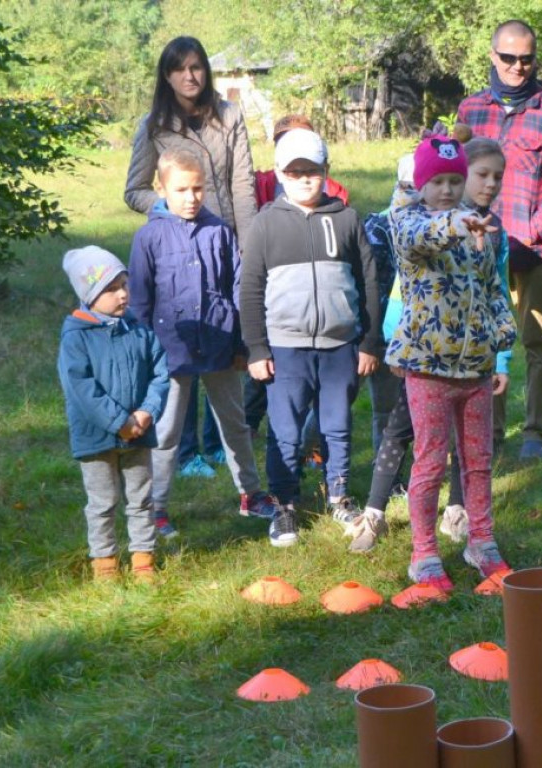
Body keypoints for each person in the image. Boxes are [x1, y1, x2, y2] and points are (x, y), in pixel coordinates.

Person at [348, 138, 513, 554]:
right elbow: (422, 238)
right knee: (429, 461)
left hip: (475, 364)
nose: (447, 189)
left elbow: (493, 287)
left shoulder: (484, 229)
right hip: (426, 366)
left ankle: (482, 542)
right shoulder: (405, 221)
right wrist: (459, 223)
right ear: (420, 184)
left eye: (455, 181)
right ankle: (423, 552)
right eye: (437, 181)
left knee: (478, 462)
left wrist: (502, 333)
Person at [240, 128, 382, 547]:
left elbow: (369, 282)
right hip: (285, 348)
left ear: (327, 171)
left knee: (337, 427)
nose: (305, 179)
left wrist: (369, 342)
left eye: (313, 171)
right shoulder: (265, 225)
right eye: (295, 172)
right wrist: (256, 348)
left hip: (341, 346)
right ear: (281, 175)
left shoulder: (347, 219)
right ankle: (284, 506)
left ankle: (338, 496)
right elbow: (249, 289)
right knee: (284, 430)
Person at [129, 149, 281, 541]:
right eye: (181, 190)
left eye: (198, 189)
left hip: (219, 346)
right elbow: (140, 301)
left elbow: (236, 290)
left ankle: (250, 493)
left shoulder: (219, 231)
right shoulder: (149, 236)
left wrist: (242, 346)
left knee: (235, 424)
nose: (191, 197)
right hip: (169, 352)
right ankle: (156, 507)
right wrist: (143, 357)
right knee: (165, 432)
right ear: (161, 188)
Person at [457, 18, 542, 461]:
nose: (517, 66)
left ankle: (537, 435)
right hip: (480, 247)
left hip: (534, 250)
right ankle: (487, 433)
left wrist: (537, 226)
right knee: (484, 340)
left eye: (526, 59)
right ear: (493, 56)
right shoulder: (470, 110)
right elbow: (455, 172)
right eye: (508, 58)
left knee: (537, 342)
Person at [58, 247, 169, 583]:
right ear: (89, 295)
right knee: (103, 502)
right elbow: (82, 389)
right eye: (110, 289)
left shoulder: (138, 329)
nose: (122, 294)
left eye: (124, 284)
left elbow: (160, 373)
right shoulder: (76, 338)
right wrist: (119, 422)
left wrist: (147, 411)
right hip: (97, 437)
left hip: (139, 431)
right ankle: (105, 562)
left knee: (141, 497)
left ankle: (143, 560)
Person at [245, 113, 353, 441]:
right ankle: (248, 432)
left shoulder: (335, 196)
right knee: (264, 381)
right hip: (279, 308)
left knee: (322, 396)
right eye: (285, 141)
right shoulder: (260, 184)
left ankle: (315, 445)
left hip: (325, 318)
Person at [125, 36, 257, 238]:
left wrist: (248, 246)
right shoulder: (153, 127)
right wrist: (173, 202)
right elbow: (134, 191)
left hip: (228, 236)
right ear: (167, 76)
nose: (189, 76)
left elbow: (242, 184)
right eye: (179, 69)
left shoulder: (231, 116)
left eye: (196, 67)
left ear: (206, 71)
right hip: (179, 240)